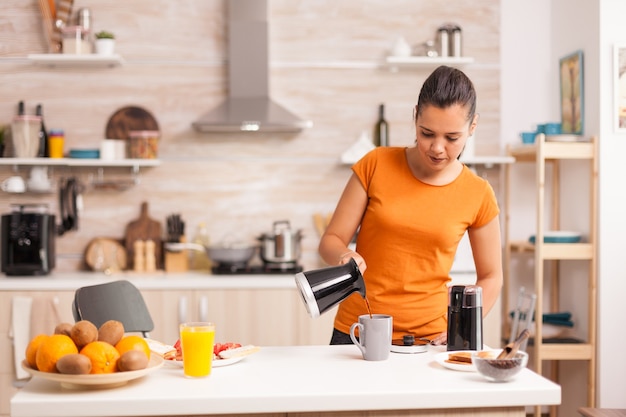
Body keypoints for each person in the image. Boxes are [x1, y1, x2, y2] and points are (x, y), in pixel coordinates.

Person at [319, 65, 503, 346]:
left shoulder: (478, 193)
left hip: (431, 340)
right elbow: (330, 241)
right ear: (415, 115)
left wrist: (464, 326)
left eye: (452, 138)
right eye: (426, 133)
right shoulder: (376, 164)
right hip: (357, 332)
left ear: (472, 127)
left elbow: (491, 277)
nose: (437, 148)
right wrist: (344, 256)